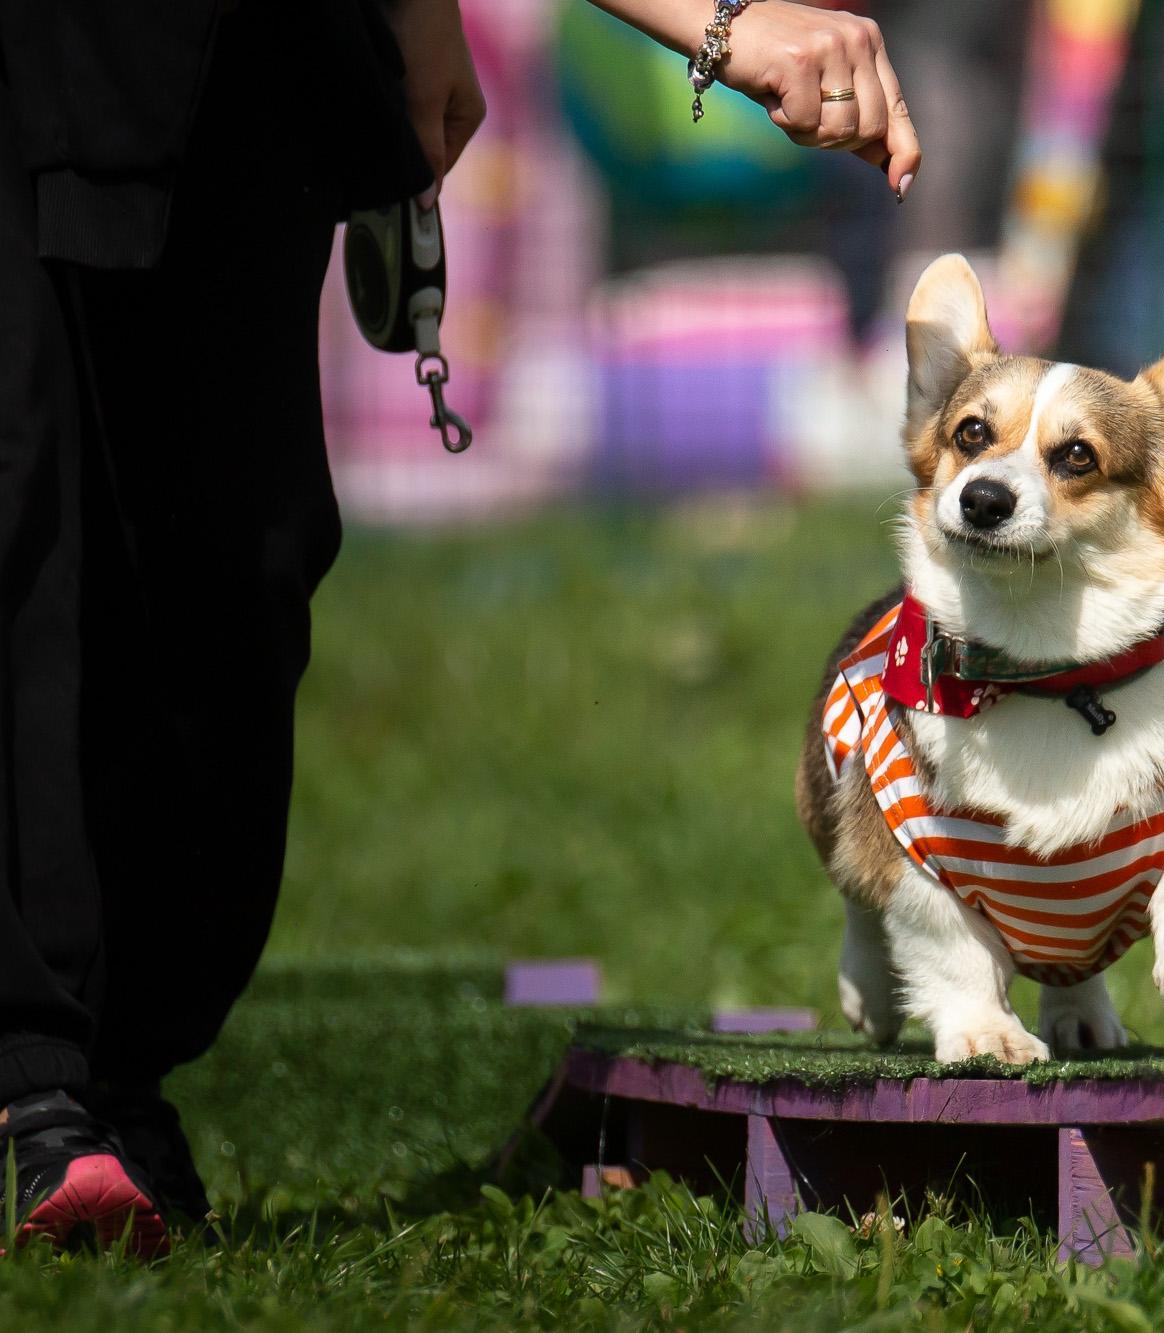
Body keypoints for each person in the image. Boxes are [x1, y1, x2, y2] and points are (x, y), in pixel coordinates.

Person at [0, 0, 920, 1254]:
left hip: (240, 60)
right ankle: (34, 1090)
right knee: (27, 521)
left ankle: (119, 1081)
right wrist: (719, 23)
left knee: (240, 561)